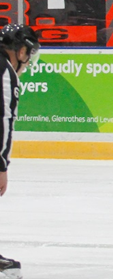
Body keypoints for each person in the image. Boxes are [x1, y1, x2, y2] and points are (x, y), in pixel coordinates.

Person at [0, 24, 42, 279]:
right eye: (29, 52)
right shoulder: (5, 71)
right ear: (20, 50)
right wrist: (1, 165)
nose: (27, 61)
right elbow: (3, 119)